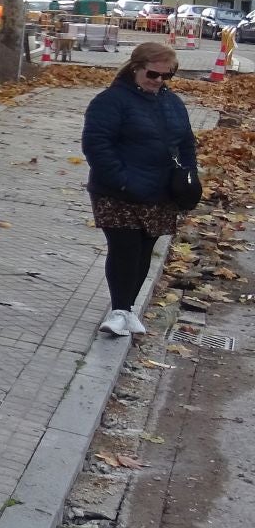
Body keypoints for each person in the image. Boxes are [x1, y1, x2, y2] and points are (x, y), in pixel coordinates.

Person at [80, 40, 197, 337]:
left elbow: (185, 141)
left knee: (145, 249)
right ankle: (119, 311)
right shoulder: (110, 101)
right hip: (117, 191)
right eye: (153, 74)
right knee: (125, 249)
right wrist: (122, 180)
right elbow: (96, 145)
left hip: (160, 190)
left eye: (166, 76)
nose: (159, 81)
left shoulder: (171, 102)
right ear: (136, 68)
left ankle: (128, 309)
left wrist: (189, 175)